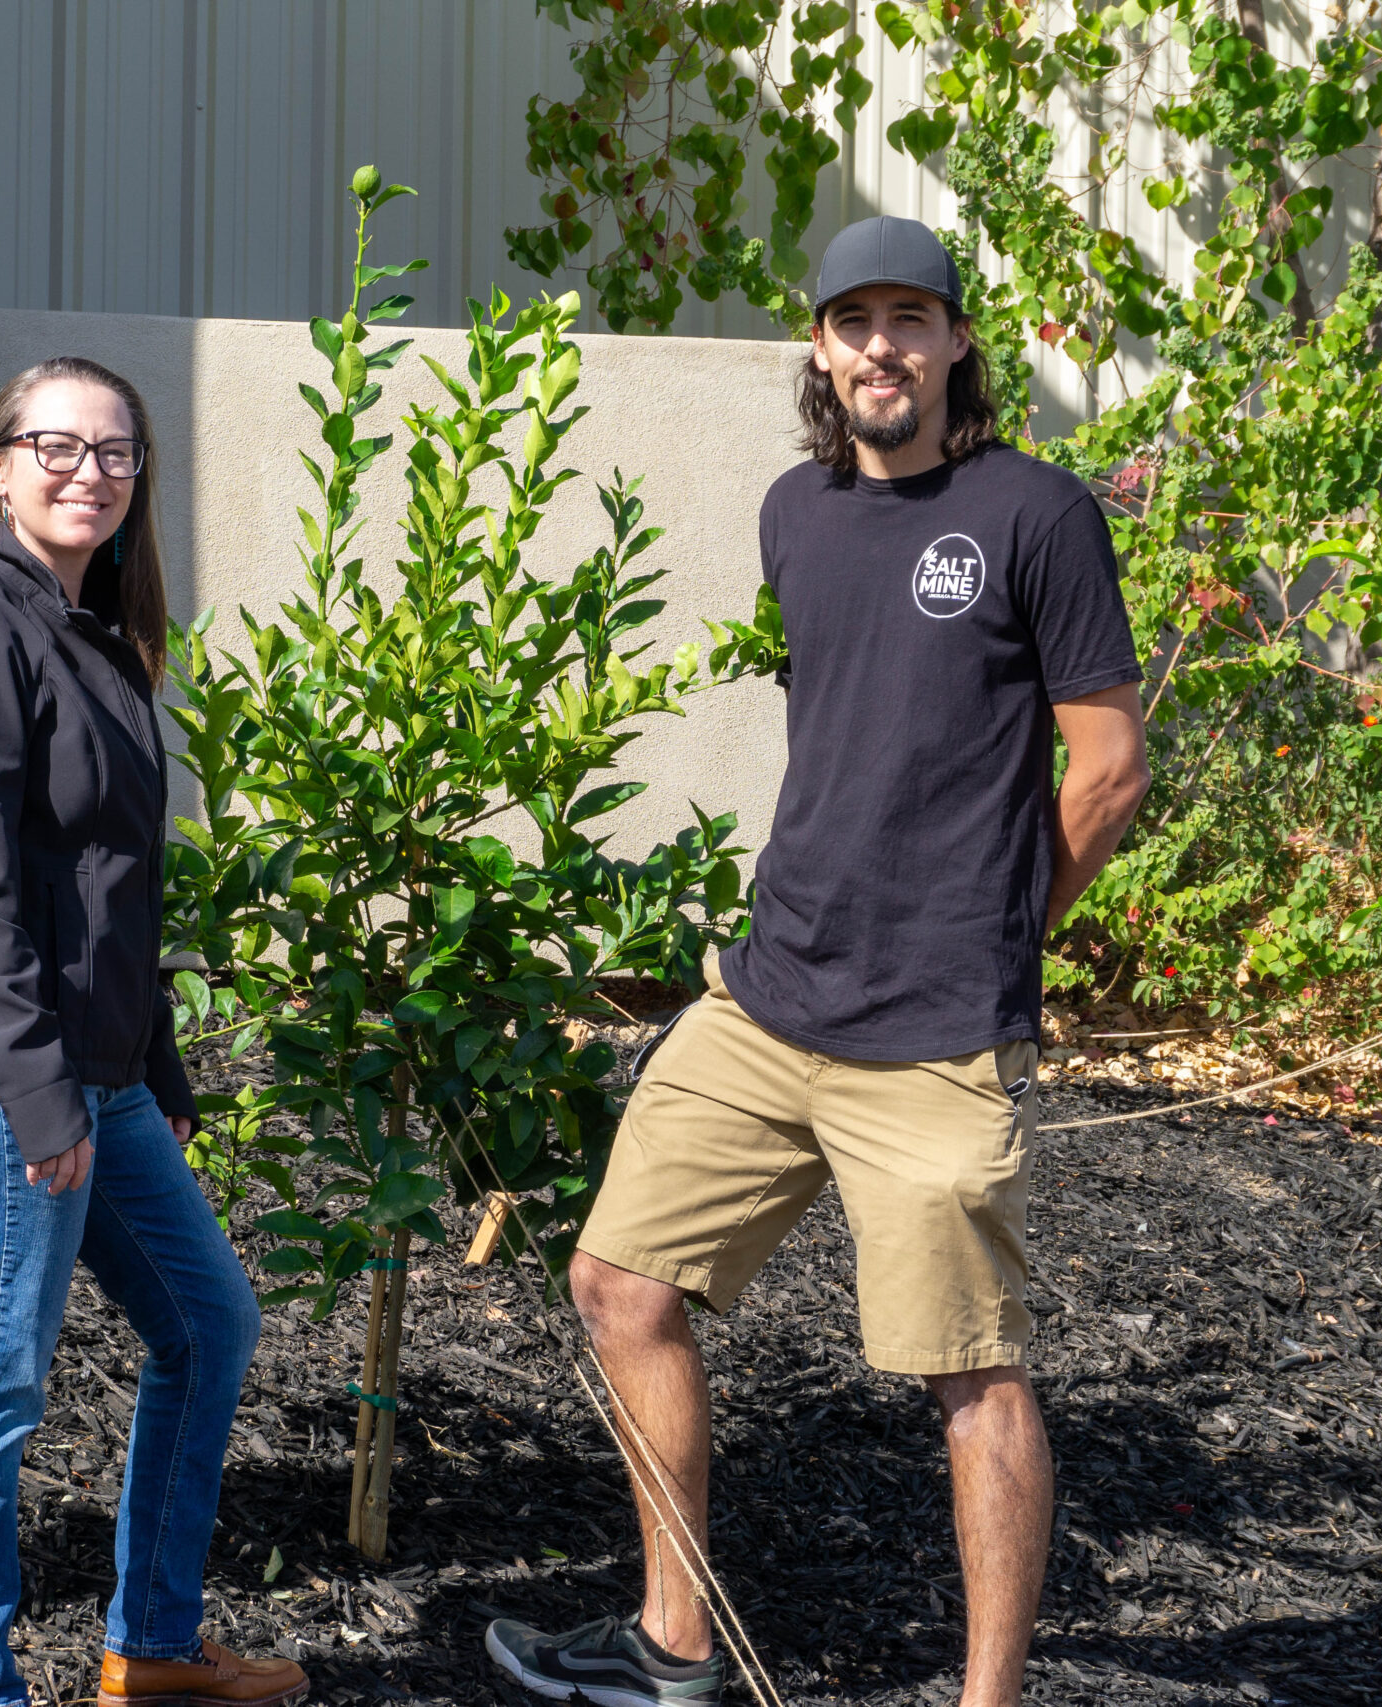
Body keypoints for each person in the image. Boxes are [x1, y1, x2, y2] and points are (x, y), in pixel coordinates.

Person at [485, 216, 1152, 1707]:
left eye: (911, 317)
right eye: (854, 321)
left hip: (933, 1035)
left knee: (970, 1376)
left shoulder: (1036, 514)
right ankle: (671, 1645)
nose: (882, 348)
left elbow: (1106, 767)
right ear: (818, 348)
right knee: (617, 1282)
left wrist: (1000, 928)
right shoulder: (795, 513)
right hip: (769, 994)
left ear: (959, 341)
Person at [0, 358, 307, 1707]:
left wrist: (153, 1057)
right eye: (55, 445)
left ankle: (154, 1649)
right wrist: (42, 1096)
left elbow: (115, 880)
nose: (89, 470)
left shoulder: (92, 636)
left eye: (117, 453)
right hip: (4, 1077)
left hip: (94, 1069)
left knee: (207, 1325)